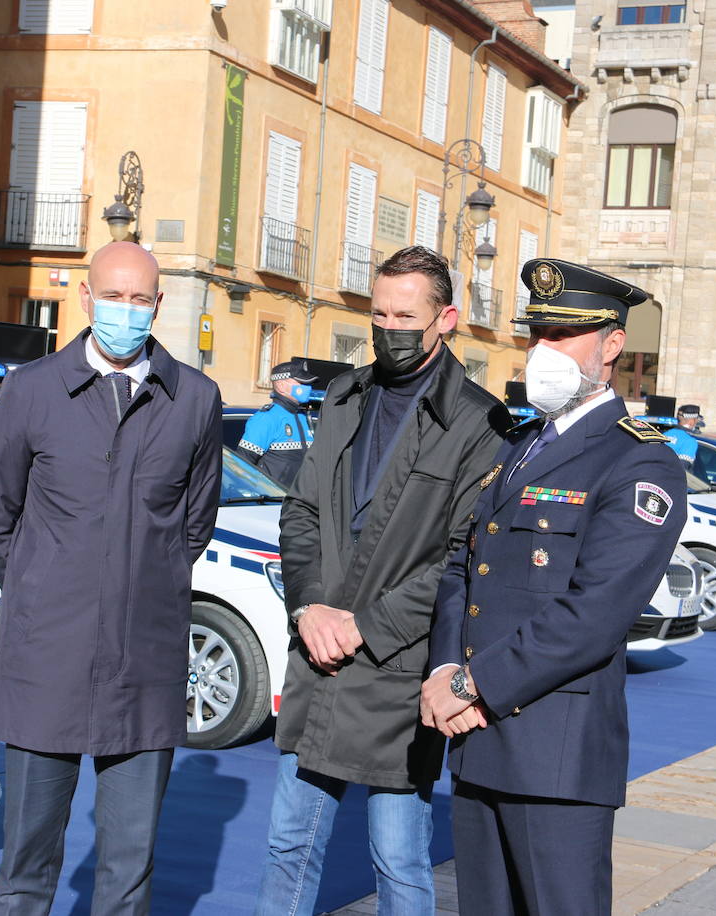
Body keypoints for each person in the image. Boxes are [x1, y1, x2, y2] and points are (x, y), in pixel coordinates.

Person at [421, 258, 686, 916]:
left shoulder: (639, 459)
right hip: (478, 743)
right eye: (536, 334)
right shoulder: (521, 445)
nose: (544, 351)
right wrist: (446, 664)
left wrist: (471, 686)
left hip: (555, 756)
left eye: (563, 335)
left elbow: (595, 613)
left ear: (612, 344)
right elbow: (465, 563)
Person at [257, 246, 509, 915]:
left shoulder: (480, 424)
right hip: (319, 660)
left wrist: (363, 626)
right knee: (289, 843)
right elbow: (302, 510)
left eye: (407, 315)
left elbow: (462, 561)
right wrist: (310, 605)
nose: (390, 327)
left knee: (398, 859)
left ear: (446, 318)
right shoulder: (344, 395)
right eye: (380, 312)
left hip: (399, 675)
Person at [0, 242, 222, 916]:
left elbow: (191, 526)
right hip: (44, 660)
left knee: (129, 870)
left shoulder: (195, 400)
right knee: (26, 866)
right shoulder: (31, 390)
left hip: (145, 665)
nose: (126, 311)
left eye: (140, 299)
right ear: (85, 299)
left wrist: (141, 586)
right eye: (114, 296)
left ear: (158, 306)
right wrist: (44, 588)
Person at [238, 359, 319, 486]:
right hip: (274, 501)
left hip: (301, 502)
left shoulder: (303, 417)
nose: (307, 388)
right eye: (301, 383)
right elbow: (243, 466)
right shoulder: (266, 419)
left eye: (307, 384)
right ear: (281, 386)